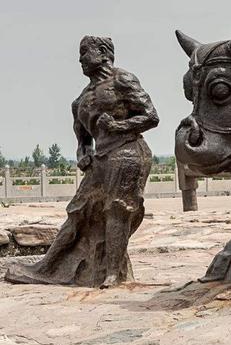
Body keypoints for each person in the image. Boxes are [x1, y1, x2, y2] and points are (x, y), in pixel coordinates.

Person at [5, 36, 159, 288]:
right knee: (77, 212)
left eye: (84, 52)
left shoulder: (122, 80)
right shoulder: (81, 101)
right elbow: (83, 141)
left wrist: (119, 125)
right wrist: (82, 155)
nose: (80, 59)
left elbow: (151, 117)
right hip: (101, 159)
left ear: (103, 53)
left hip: (128, 152)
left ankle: (112, 274)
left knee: (117, 209)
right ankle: (45, 267)